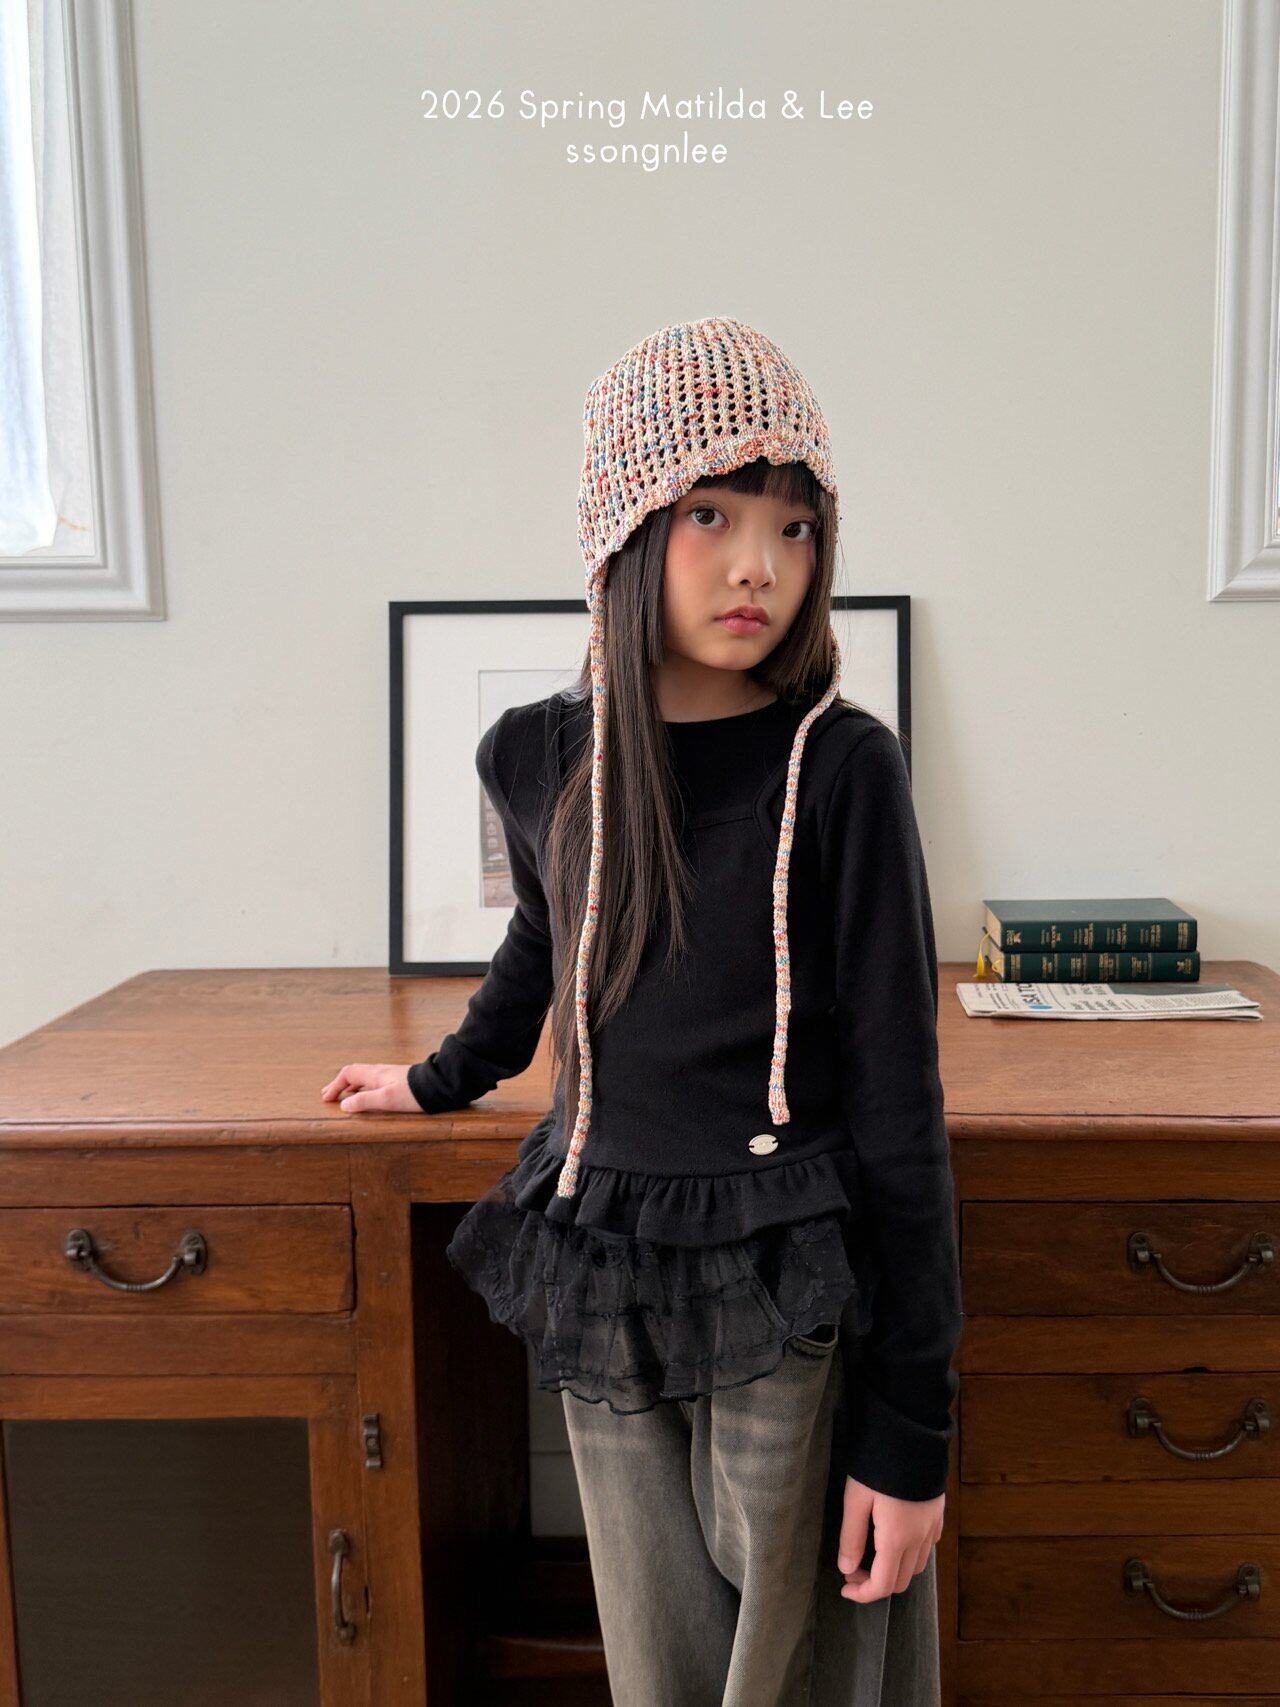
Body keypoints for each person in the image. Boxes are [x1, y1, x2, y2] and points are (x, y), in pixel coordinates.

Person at [321, 316, 962, 1706]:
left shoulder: (842, 770)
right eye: (711, 513)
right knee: (659, 1666)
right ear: (625, 529)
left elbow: (903, 1106)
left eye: (796, 528)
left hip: (786, 1268)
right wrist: (438, 1078)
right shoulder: (541, 755)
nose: (758, 565)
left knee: (798, 1660)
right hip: (604, 1245)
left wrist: (913, 1433)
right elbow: (548, 942)